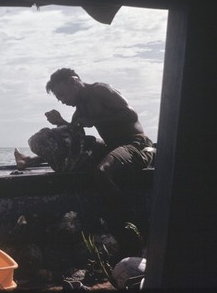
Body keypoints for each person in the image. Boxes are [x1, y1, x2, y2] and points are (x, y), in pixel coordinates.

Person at [15, 68, 156, 256]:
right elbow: (76, 135)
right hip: (110, 146)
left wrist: (93, 120)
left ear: (74, 81)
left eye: (62, 94)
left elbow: (130, 115)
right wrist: (60, 121)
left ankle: (129, 228)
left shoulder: (100, 90)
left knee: (101, 172)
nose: (62, 100)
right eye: (58, 98)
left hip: (136, 145)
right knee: (77, 151)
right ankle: (29, 160)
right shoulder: (79, 109)